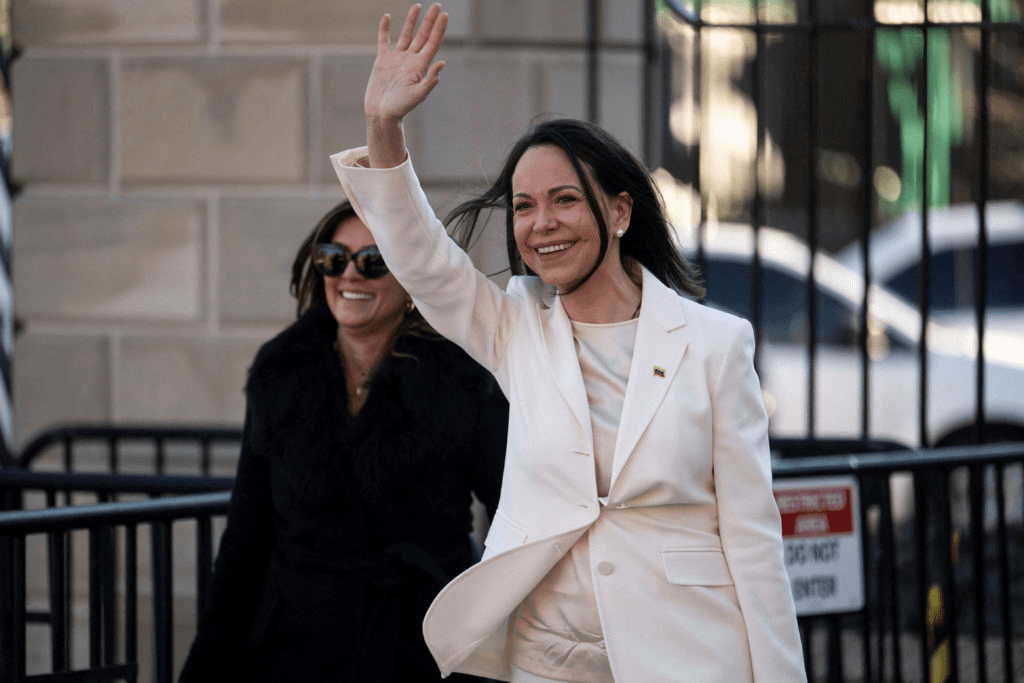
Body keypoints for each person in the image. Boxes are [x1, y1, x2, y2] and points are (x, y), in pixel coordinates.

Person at [331, 4, 808, 682]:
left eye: (564, 200)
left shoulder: (716, 345)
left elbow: (755, 541)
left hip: (686, 658)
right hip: (545, 661)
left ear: (618, 211)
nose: (541, 224)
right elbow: (424, 261)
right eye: (524, 206)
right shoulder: (515, 327)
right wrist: (384, 126)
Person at [177, 199, 508, 683]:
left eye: (373, 261)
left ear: (412, 278)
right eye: (334, 258)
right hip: (293, 648)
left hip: (419, 646)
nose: (350, 274)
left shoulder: (462, 379)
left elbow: (514, 518)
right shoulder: (281, 374)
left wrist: (487, 633)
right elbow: (246, 539)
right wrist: (207, 665)